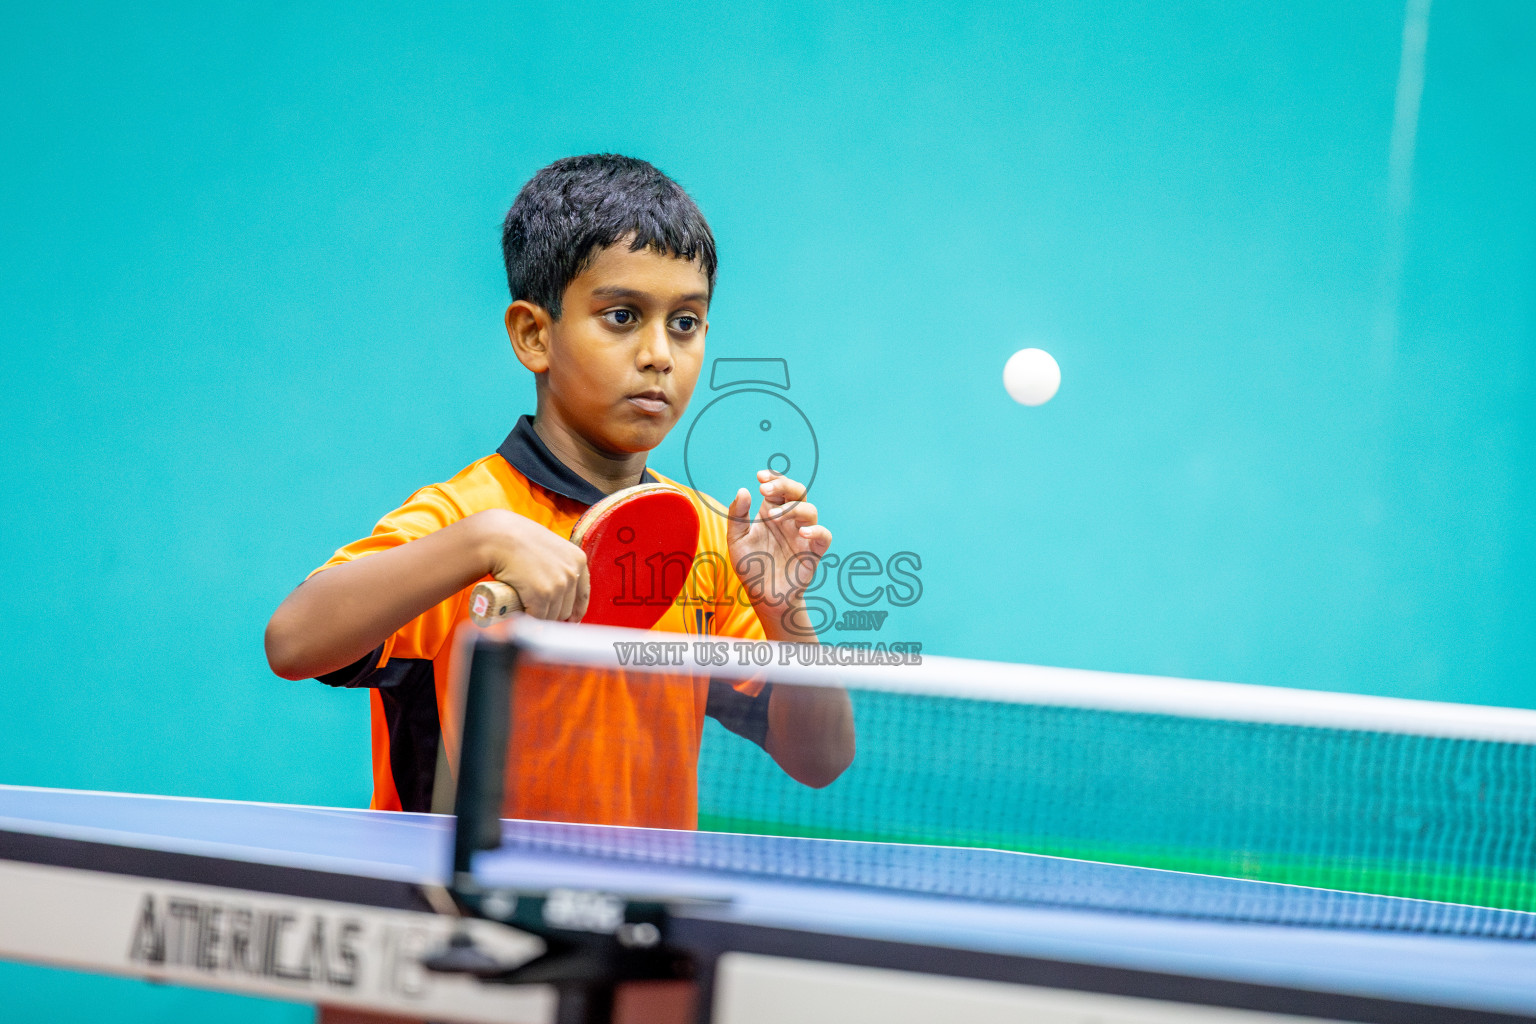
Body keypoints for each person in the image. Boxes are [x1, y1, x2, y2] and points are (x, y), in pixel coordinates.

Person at [264, 154, 854, 827]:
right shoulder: (471, 514)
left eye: (684, 323)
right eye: (623, 316)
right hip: (468, 912)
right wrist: (483, 542)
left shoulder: (707, 535)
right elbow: (292, 640)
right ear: (533, 334)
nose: (659, 353)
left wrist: (785, 613)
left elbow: (820, 758)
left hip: (639, 916)